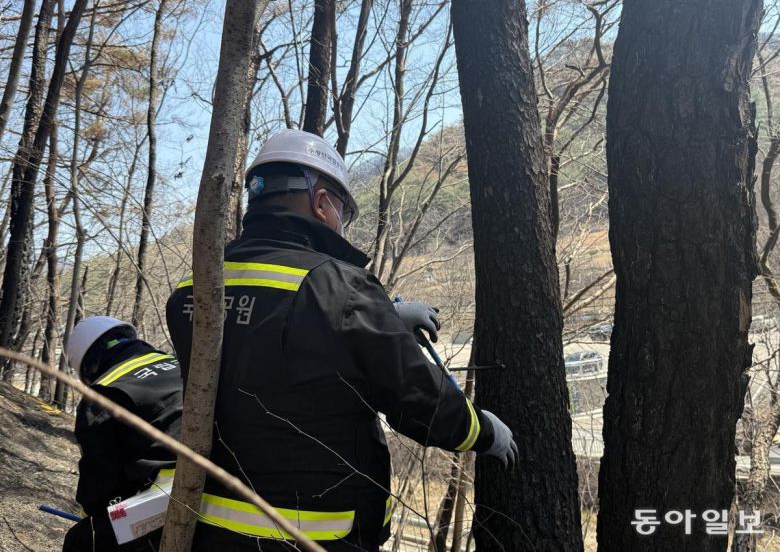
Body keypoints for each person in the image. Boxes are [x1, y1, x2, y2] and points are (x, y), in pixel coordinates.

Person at [166, 129, 517, 552]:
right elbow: (418, 401)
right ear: (320, 203)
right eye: (342, 211)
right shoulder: (340, 289)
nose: (340, 223)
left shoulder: (192, 289)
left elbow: (261, 344)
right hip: (315, 533)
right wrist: (482, 431)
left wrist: (380, 317)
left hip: (211, 528)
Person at [62, 316, 182, 552]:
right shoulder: (178, 363)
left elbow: (99, 482)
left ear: (88, 367)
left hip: (167, 498)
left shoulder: (104, 395)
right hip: (223, 481)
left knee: (82, 540)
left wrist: (95, 517)